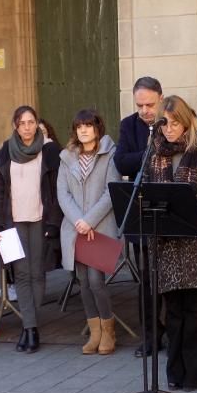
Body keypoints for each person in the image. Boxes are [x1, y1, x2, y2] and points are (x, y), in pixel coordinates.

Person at [147, 95, 197, 391]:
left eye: (175, 123)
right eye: (165, 124)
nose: (169, 130)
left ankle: (194, 375)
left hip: (193, 241)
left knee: (194, 310)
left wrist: (182, 213)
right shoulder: (154, 153)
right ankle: (174, 374)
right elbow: (149, 191)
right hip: (165, 242)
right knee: (173, 312)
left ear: (186, 121)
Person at [0, 105, 62, 353]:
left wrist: (53, 222)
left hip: (39, 219)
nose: (28, 127)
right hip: (13, 222)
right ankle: (30, 328)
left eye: (31, 122)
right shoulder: (5, 152)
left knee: (37, 273)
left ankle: (29, 324)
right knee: (20, 274)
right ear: (16, 126)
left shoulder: (48, 151)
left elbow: (55, 191)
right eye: (23, 123)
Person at [57, 109, 121, 355]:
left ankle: (109, 329)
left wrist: (90, 221)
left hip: (99, 227)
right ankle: (94, 333)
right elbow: (63, 193)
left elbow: (111, 191)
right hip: (76, 229)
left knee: (96, 281)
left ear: (97, 128)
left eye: (88, 125)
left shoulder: (109, 154)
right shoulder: (67, 157)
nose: (83, 130)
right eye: (79, 126)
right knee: (82, 281)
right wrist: (79, 222)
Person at [114, 75, 165, 358]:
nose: (145, 111)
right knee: (145, 277)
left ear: (160, 98)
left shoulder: (170, 120)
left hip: (167, 204)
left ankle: (172, 328)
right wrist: (148, 153)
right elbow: (121, 160)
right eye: (140, 105)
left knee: (167, 274)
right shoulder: (128, 125)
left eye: (150, 104)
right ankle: (150, 335)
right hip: (141, 207)